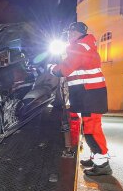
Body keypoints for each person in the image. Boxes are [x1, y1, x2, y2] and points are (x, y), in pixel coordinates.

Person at [47, 22, 111, 176]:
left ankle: (102, 165)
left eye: (70, 32)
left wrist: (51, 68)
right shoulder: (85, 46)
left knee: (92, 130)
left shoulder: (80, 47)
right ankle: (95, 158)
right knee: (90, 128)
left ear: (76, 32)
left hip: (90, 95)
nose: (68, 35)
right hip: (89, 94)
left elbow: (65, 69)